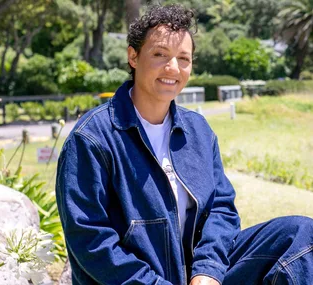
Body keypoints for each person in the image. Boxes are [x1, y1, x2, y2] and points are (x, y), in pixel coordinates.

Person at [56, 4, 313, 285]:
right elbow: (90, 240)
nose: (173, 68)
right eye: (159, 55)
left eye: (183, 58)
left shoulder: (198, 130)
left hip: (197, 275)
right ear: (133, 56)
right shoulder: (91, 139)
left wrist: (208, 271)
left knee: (299, 235)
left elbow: (221, 209)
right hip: (136, 281)